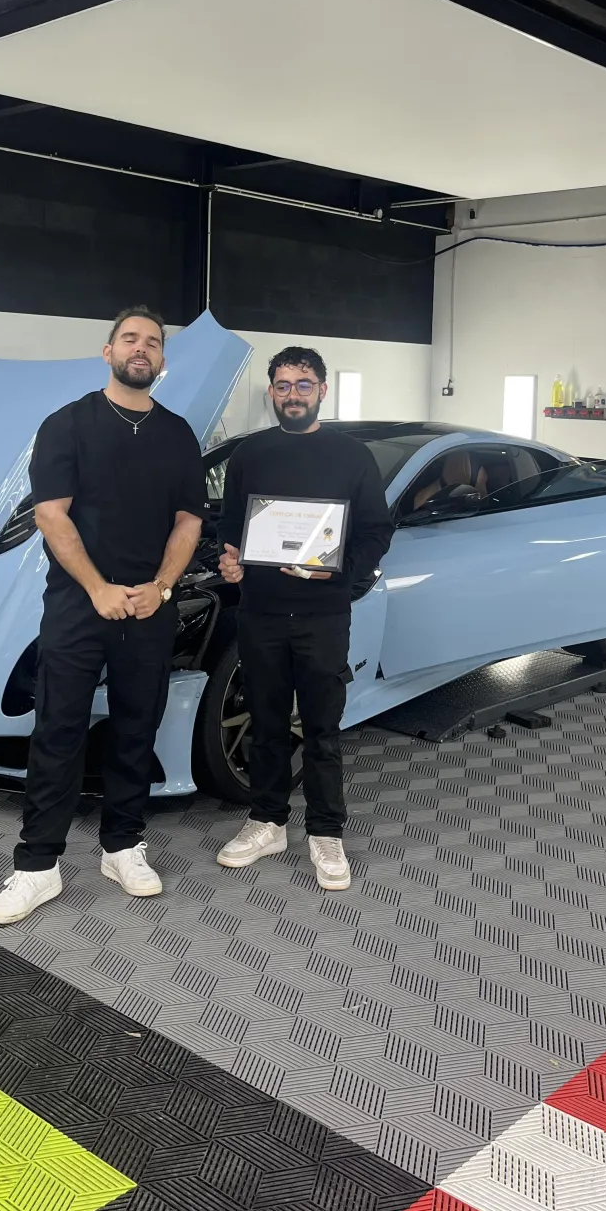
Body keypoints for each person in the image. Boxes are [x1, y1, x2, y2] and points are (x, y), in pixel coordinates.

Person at [0, 308, 206, 926]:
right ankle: (37, 865)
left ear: (162, 360)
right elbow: (50, 515)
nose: (141, 349)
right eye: (130, 339)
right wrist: (98, 588)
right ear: (108, 351)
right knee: (58, 728)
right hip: (78, 606)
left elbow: (188, 521)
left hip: (150, 606)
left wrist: (161, 587)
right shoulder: (67, 424)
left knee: (137, 725)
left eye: (153, 343)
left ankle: (123, 846)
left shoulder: (178, 435)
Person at [216, 348, 393, 890]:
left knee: (321, 729)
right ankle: (267, 822)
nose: (293, 394)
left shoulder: (352, 456)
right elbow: (231, 525)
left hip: (323, 614)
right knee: (266, 725)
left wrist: (337, 573)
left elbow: (376, 532)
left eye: (304, 384)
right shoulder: (250, 453)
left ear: (322, 390)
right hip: (261, 612)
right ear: (271, 391)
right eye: (283, 385)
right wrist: (229, 559)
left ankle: (325, 831)